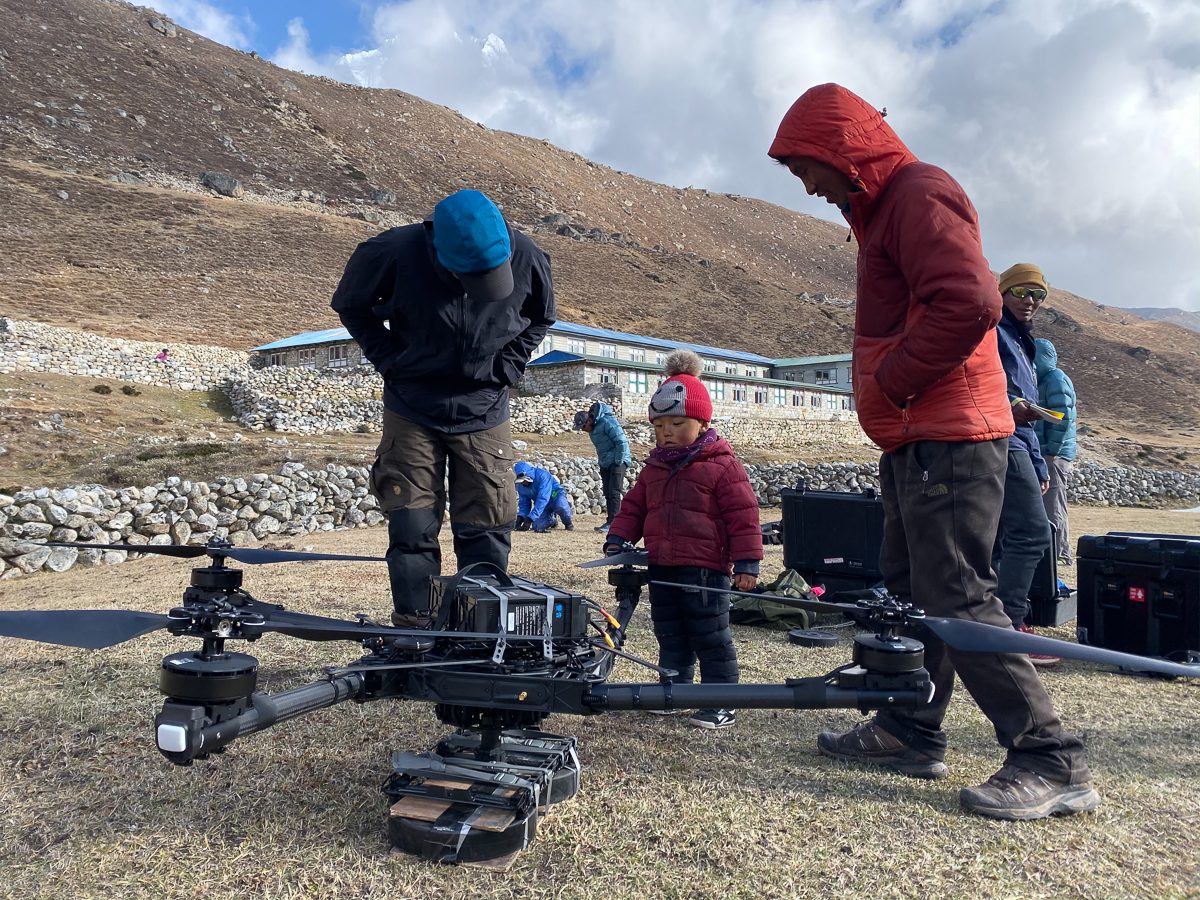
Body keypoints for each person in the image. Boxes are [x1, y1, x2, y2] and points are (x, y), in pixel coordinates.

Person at [769, 83, 1099, 820]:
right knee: (911, 592)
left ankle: (1052, 757)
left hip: (950, 433)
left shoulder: (918, 192)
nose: (810, 188)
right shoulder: (881, 208)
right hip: (919, 436)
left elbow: (970, 301)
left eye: (807, 170)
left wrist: (895, 380)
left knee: (955, 593)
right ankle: (909, 726)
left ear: (840, 151)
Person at [331, 189, 556, 627]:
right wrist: (393, 363)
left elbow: (542, 316)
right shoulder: (393, 251)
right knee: (412, 525)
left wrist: (507, 366)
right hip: (412, 406)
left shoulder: (527, 254)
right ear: (440, 251)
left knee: (488, 523)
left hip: (485, 408)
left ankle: (480, 629)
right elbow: (351, 307)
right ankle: (417, 628)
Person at [603, 350, 762, 730]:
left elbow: (745, 516)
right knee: (670, 632)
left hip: (706, 572)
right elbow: (633, 507)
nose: (666, 433)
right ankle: (672, 691)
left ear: (702, 421)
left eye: (676, 423)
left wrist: (747, 563)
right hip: (662, 568)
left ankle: (720, 700)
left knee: (711, 636)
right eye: (659, 427)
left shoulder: (723, 465)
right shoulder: (654, 468)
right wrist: (618, 537)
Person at [993, 263, 1056, 663]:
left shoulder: (1020, 340)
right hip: (1001, 441)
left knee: (1001, 539)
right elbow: (1000, 395)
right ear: (1002, 292)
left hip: (1017, 443)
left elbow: (1025, 411)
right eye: (1021, 292)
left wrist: (1040, 464)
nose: (1030, 301)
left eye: (1038, 295)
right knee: (1032, 533)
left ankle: (994, 623)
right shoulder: (995, 333)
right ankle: (1009, 628)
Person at [1034, 337, 1078, 565]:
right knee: (1045, 504)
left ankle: (1060, 554)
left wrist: (1052, 450)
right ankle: (1048, 552)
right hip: (1043, 452)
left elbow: (1063, 417)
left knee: (1053, 504)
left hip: (1054, 456)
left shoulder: (1055, 379)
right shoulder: (1040, 381)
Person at [574, 401, 631, 533]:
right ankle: (610, 521)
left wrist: (618, 461)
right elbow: (601, 448)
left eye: (583, 427)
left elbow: (621, 442)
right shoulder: (592, 429)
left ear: (588, 420)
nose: (583, 430)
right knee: (607, 491)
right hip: (606, 462)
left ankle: (615, 523)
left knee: (614, 491)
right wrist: (602, 462)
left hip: (618, 461)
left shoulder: (607, 422)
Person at [513, 461, 574, 532]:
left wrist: (530, 518)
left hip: (555, 496)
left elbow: (543, 498)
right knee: (537, 526)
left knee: (561, 506)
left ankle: (568, 523)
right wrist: (521, 517)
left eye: (523, 480)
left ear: (528, 475)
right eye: (520, 481)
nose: (523, 483)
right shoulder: (521, 486)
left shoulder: (542, 475)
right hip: (542, 504)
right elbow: (524, 503)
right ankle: (552, 521)